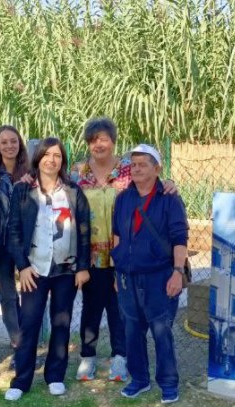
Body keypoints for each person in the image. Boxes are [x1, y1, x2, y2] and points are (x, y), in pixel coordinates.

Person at [71, 117, 178, 382]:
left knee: (120, 308)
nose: (98, 144)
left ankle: (120, 356)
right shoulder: (78, 172)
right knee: (91, 306)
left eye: (104, 139)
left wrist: (169, 183)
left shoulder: (129, 170)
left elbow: (152, 185)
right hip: (90, 254)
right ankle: (88, 355)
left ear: (113, 141)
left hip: (125, 253)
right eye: (93, 140)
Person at [4, 137, 91, 401]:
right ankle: (21, 381)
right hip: (34, 270)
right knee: (29, 325)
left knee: (61, 323)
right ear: (38, 158)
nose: (51, 160)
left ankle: (55, 376)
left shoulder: (73, 192)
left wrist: (82, 267)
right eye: (46, 154)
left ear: (62, 160)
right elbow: (13, 231)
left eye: (57, 155)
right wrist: (23, 266)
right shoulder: (23, 190)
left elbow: (84, 231)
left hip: (66, 269)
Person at [111, 144, 188, 404]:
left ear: (157, 169)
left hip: (159, 276)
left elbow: (180, 238)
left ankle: (168, 383)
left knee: (161, 331)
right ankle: (140, 380)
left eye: (143, 164)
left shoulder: (169, 198)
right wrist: (117, 271)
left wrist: (177, 272)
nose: (136, 169)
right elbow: (117, 236)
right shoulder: (123, 199)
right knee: (132, 331)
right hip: (128, 277)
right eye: (133, 164)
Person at [0, 125, 30, 367]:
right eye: (5, 142)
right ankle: (18, 345)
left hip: (25, 244)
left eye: (14, 141)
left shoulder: (30, 173)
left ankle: (29, 343)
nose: (10, 145)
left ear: (20, 144)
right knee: (8, 296)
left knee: (30, 296)